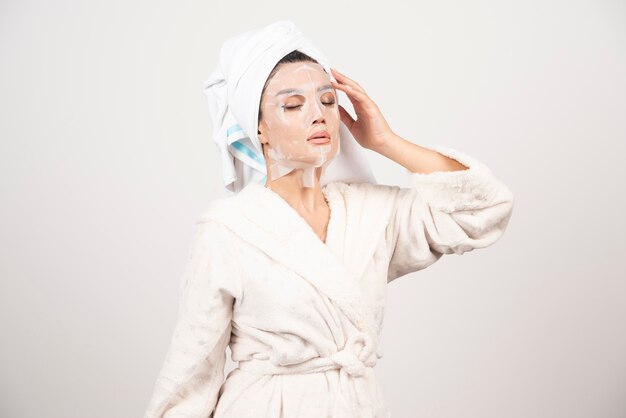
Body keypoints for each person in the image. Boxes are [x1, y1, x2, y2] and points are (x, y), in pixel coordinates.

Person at [143, 20, 515, 418]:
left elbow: (483, 210)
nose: (317, 115)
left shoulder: (371, 213)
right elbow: (191, 375)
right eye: (292, 105)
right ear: (259, 129)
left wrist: (386, 142)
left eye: (327, 101)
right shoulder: (228, 229)